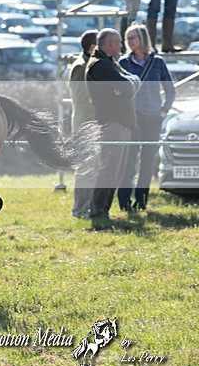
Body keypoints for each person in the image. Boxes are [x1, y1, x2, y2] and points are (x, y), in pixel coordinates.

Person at [117, 24, 175, 211]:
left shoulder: (157, 62)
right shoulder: (124, 63)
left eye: (133, 37)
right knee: (130, 161)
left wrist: (163, 112)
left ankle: (141, 201)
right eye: (128, 38)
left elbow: (170, 90)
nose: (130, 41)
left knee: (148, 162)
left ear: (143, 38)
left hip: (154, 118)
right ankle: (125, 202)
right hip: (134, 118)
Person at [85, 28, 140, 220]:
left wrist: (127, 84)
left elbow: (134, 82)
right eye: (118, 42)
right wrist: (126, 85)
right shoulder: (100, 66)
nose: (122, 46)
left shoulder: (111, 63)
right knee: (108, 170)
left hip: (121, 123)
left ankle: (103, 210)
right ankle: (97, 211)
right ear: (109, 45)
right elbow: (129, 88)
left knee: (116, 170)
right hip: (112, 124)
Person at [68, 30, 98, 219]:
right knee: (86, 169)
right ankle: (79, 209)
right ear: (92, 47)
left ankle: (91, 208)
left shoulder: (93, 64)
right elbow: (80, 97)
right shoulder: (80, 66)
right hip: (85, 125)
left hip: (95, 124)